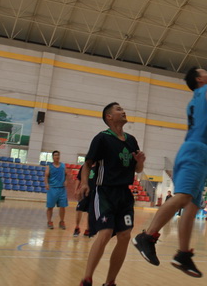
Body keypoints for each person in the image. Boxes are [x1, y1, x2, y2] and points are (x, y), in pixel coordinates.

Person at [133, 30, 207, 278]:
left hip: (197, 152)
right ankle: (147, 236)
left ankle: (183, 254)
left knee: (192, 206)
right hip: (195, 151)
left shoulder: (198, 101)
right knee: (182, 198)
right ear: (200, 80)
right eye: (206, 72)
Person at [78, 102, 146, 286]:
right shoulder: (102, 138)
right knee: (106, 232)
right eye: (118, 109)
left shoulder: (131, 140)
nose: (123, 111)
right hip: (104, 191)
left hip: (124, 194)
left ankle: (110, 282)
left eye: (122, 109)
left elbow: (137, 169)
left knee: (125, 236)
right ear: (109, 117)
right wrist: (84, 183)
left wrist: (140, 162)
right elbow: (87, 164)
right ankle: (87, 279)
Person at [44, 150, 69, 230]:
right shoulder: (49, 166)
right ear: (53, 157)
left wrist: (66, 180)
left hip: (62, 189)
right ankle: (49, 221)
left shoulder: (63, 166)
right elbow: (46, 176)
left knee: (62, 206)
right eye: (55, 155)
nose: (57, 156)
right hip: (52, 189)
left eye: (58, 155)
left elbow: (66, 174)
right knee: (50, 206)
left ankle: (61, 221)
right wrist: (46, 184)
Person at [74, 163, 96, 237]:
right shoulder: (85, 167)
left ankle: (88, 229)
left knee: (90, 211)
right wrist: (76, 190)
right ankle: (77, 227)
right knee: (79, 209)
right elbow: (78, 178)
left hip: (94, 192)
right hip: (84, 191)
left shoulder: (99, 167)